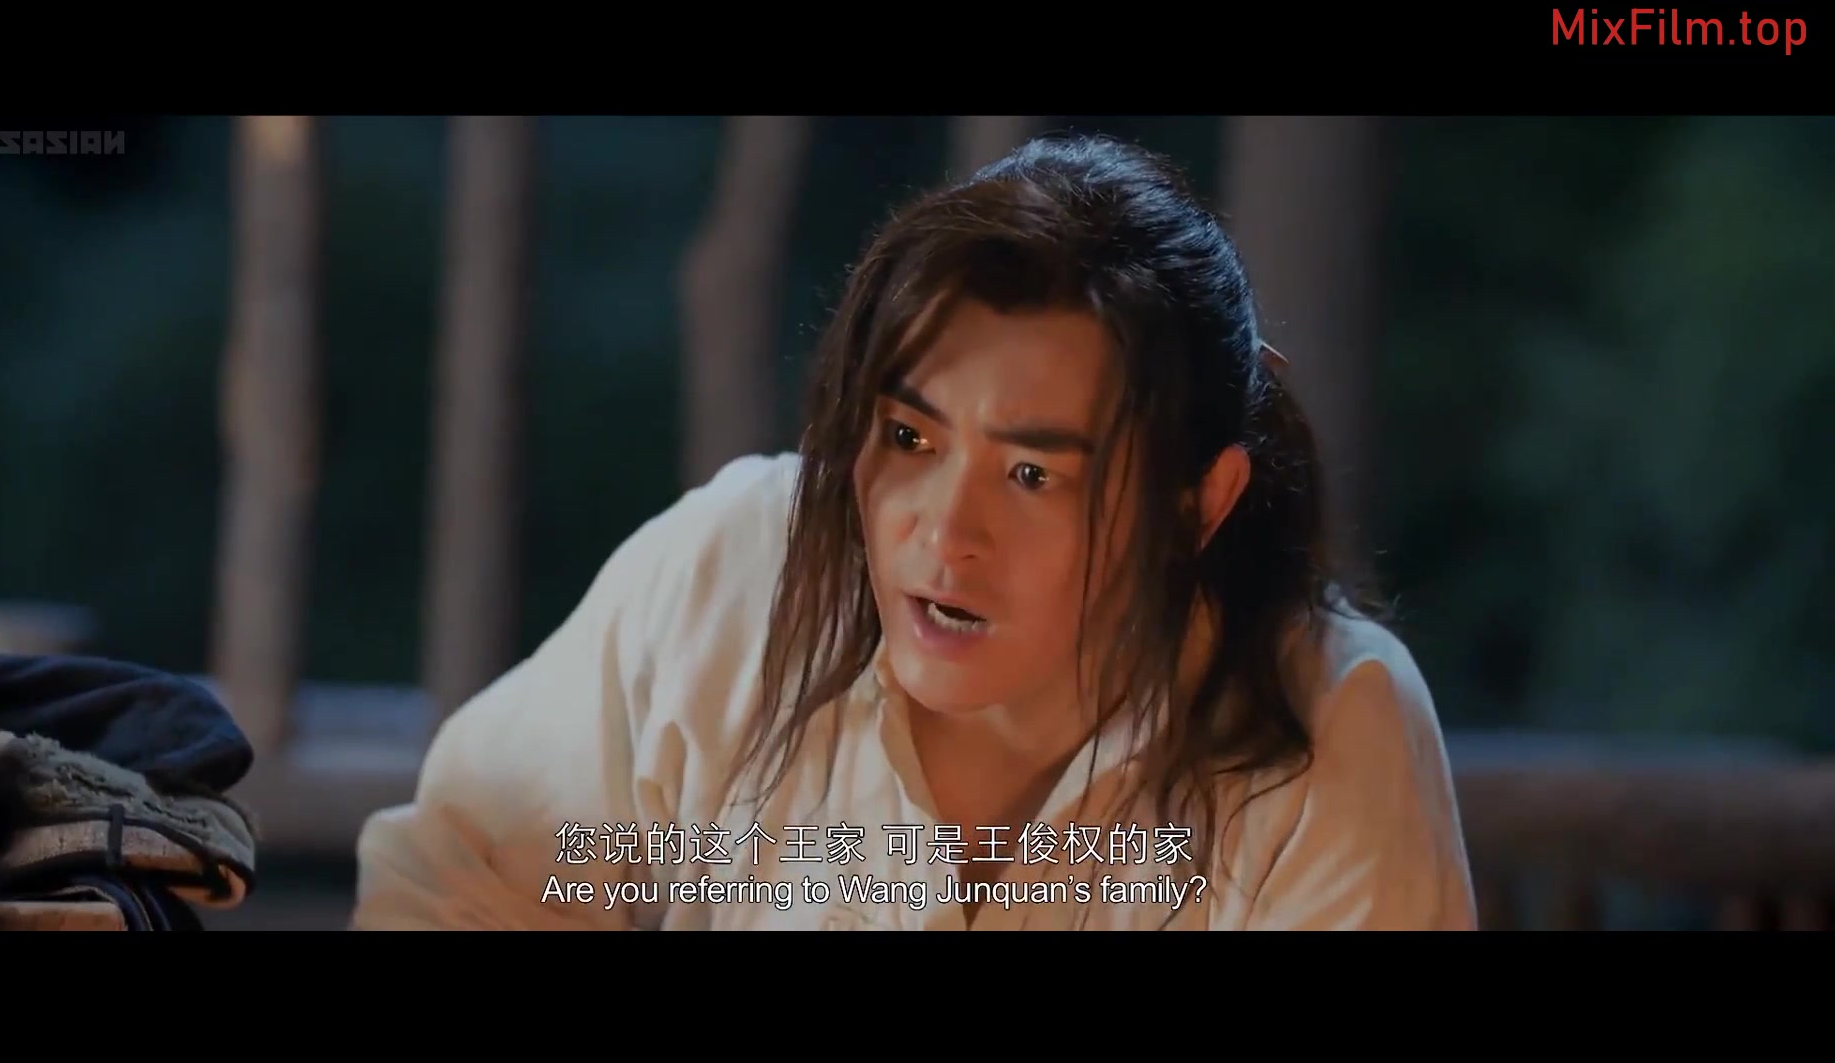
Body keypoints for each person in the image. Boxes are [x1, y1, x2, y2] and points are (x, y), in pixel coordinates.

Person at [353, 133, 1477, 931]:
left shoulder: (1333, 722)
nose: (943, 533)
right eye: (909, 436)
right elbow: (459, 883)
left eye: (1032, 473)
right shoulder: (737, 566)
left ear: (1199, 505)